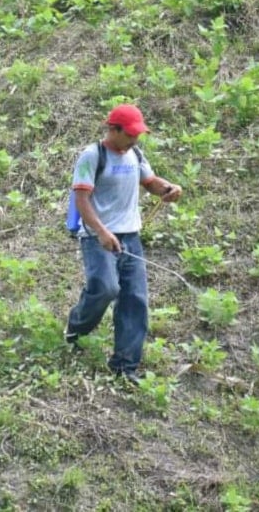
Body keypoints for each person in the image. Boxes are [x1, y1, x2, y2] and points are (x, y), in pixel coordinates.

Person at [64, 104, 182, 384]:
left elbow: (150, 182)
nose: (135, 139)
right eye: (130, 134)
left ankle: (124, 367)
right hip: (98, 237)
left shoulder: (135, 154)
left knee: (135, 299)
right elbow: (81, 200)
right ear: (113, 130)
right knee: (105, 288)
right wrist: (103, 232)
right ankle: (76, 327)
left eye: (138, 134)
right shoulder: (93, 156)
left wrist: (168, 188)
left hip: (131, 237)